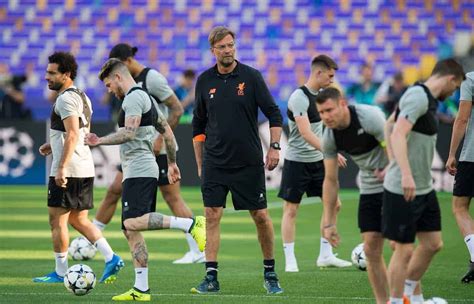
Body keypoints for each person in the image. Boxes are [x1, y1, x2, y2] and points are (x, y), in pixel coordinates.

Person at [86, 58, 206, 301]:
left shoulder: (132, 98)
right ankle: (141, 289)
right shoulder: (147, 99)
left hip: (139, 168)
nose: (110, 91)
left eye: (109, 85)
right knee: (129, 230)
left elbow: (128, 133)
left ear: (118, 77)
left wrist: (99, 141)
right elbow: (168, 133)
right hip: (139, 169)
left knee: (132, 223)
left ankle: (191, 224)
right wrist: (171, 162)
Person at [191, 26, 283, 294]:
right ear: (213, 51)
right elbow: (198, 126)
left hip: (248, 162)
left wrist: (275, 147)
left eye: (231, 45)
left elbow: (274, 114)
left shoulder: (251, 77)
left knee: (261, 216)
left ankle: (270, 272)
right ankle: (211, 277)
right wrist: (200, 163)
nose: (228, 50)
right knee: (211, 215)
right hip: (215, 162)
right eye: (222, 47)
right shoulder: (204, 80)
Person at [33, 52, 124, 284]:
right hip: (84, 166)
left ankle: (61, 272)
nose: (47, 77)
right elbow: (78, 133)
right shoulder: (82, 96)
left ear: (66, 74)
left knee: (57, 221)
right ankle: (111, 257)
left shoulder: (64, 99)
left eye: (52, 73)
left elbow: (73, 133)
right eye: (47, 72)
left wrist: (61, 167)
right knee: (79, 220)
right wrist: (52, 144)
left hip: (69, 169)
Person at [382, 59, 464, 304]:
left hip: (423, 186)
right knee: (404, 248)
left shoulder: (426, 98)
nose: (454, 91)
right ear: (451, 78)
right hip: (404, 187)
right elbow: (397, 132)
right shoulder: (418, 96)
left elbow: (389, 125)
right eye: (456, 86)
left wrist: (393, 162)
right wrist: (403, 172)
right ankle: (396, 301)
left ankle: (409, 294)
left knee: (432, 243)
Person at [315, 87, 389, 303]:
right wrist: (328, 223)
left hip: (395, 183)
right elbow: (330, 180)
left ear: (342, 104)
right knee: (372, 249)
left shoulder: (370, 117)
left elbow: (395, 147)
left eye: (329, 110)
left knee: (399, 246)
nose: (325, 116)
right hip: (369, 186)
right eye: (321, 112)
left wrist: (390, 170)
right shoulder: (328, 135)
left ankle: (413, 296)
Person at [278, 55, 351, 272]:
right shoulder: (299, 97)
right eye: (330, 75)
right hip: (297, 162)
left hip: (319, 160)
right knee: (291, 209)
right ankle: (290, 260)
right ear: (318, 73)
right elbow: (305, 132)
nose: (332, 79)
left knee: (334, 204)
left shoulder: (322, 97)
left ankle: (325, 255)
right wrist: (330, 151)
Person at [445, 71, 474, 283]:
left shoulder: (470, 79)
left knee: (460, 207)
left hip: (472, 156)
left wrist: (452, 154)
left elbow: (462, 118)